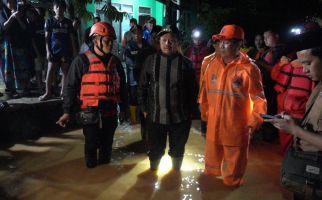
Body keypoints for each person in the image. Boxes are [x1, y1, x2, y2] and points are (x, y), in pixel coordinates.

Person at [199, 24, 267, 187]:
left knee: (232, 178)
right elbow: (204, 91)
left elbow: (259, 99)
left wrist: (253, 124)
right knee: (210, 172)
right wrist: (204, 112)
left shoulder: (250, 68)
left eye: (227, 42)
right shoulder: (209, 63)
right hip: (213, 125)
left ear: (239, 44)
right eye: (220, 41)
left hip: (236, 128)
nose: (222, 45)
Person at [56, 22, 127, 168]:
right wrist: (66, 112)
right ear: (96, 40)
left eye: (111, 41)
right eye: (107, 41)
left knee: (107, 147)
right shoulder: (81, 61)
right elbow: (70, 87)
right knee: (91, 146)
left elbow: (122, 88)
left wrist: (124, 109)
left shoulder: (116, 62)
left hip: (110, 111)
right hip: (89, 113)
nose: (110, 44)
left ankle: (104, 175)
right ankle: (92, 175)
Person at [266, 28, 322, 200]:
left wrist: (295, 130)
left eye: (308, 63)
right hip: (308, 170)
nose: (303, 70)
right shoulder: (319, 86)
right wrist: (294, 122)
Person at [138, 24, 198, 171]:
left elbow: (194, 91)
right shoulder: (151, 61)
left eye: (171, 40)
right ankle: (153, 173)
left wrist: (191, 112)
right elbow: (142, 87)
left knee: (178, 150)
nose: (167, 43)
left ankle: (175, 175)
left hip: (180, 118)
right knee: (155, 150)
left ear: (177, 42)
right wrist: (144, 109)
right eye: (164, 40)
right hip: (155, 117)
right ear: (159, 42)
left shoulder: (186, 63)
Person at [39, 0, 76, 101]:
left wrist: (74, 52)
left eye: (61, 7)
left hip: (65, 52)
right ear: (54, 8)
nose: (59, 9)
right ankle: (47, 93)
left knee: (65, 72)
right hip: (53, 51)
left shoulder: (68, 22)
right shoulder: (49, 21)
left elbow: (72, 38)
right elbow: (46, 38)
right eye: (57, 7)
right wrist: (47, 51)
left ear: (64, 9)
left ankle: (63, 93)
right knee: (50, 71)